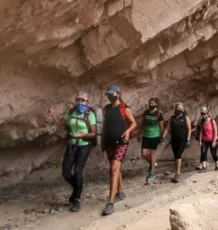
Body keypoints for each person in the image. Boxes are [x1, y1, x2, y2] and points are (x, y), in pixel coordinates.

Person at [48, 92, 96, 213]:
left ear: (87, 102)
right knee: (65, 172)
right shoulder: (71, 112)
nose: (80, 103)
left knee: (78, 171)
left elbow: (93, 133)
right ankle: (77, 189)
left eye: (83, 100)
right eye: (79, 100)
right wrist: (53, 114)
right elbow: (60, 122)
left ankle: (77, 199)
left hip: (84, 146)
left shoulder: (90, 115)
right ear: (76, 101)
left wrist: (84, 135)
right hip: (72, 145)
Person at [102, 85, 137, 216]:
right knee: (115, 168)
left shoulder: (124, 108)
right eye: (108, 94)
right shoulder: (106, 109)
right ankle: (120, 193)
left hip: (122, 142)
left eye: (112, 94)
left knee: (113, 169)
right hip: (109, 143)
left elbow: (133, 122)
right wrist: (102, 142)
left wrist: (128, 131)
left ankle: (110, 202)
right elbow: (105, 126)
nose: (110, 96)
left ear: (118, 94)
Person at [161, 102, 191, 183]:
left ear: (183, 109)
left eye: (180, 108)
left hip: (183, 139)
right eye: (177, 108)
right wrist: (163, 137)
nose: (179, 110)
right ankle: (177, 172)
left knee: (178, 155)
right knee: (176, 156)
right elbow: (167, 129)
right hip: (174, 140)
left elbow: (189, 129)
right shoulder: (172, 118)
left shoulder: (186, 118)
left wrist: (188, 140)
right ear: (175, 109)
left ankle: (178, 173)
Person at [139, 97, 164, 183]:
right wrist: (140, 133)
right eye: (150, 103)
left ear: (156, 104)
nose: (150, 104)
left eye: (152, 103)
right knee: (144, 154)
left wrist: (161, 137)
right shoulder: (146, 112)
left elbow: (161, 126)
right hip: (146, 135)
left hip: (154, 136)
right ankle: (153, 164)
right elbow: (142, 123)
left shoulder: (159, 113)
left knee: (152, 154)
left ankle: (152, 173)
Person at [196, 107, 218, 171]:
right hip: (205, 140)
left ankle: (217, 164)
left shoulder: (212, 121)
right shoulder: (202, 122)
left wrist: (214, 141)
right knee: (203, 152)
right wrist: (200, 141)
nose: (203, 115)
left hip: (213, 139)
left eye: (204, 114)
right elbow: (201, 132)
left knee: (213, 153)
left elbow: (215, 132)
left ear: (207, 114)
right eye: (202, 114)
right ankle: (204, 167)